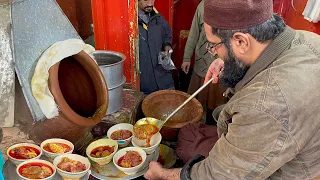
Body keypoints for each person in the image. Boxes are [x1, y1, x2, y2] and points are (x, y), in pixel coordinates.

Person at [144, 0, 320, 179]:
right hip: (281, 144)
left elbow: (216, 175)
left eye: (214, 46)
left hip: (283, 172)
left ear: (242, 42)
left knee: (187, 145)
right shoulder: (308, 39)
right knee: (191, 134)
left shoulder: (266, 104)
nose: (214, 52)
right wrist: (229, 60)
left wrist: (162, 174)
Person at [181, 0, 226, 125]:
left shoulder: (235, 6)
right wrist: (186, 58)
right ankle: (195, 129)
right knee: (197, 102)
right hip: (202, 64)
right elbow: (193, 34)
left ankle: (212, 130)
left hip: (222, 66)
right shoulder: (203, 6)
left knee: (216, 103)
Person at [138, 0, 175, 95]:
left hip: (164, 80)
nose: (150, 4)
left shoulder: (158, 18)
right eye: (146, 0)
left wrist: (167, 45)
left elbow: (167, 35)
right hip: (145, 86)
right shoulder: (131, 23)